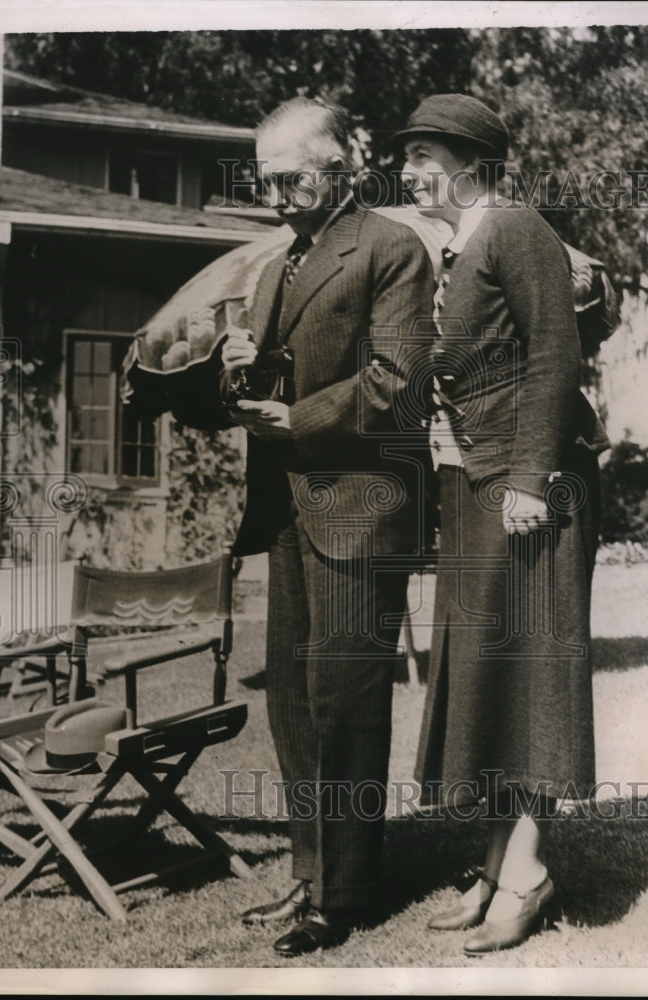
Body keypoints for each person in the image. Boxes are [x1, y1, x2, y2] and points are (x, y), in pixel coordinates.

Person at [221, 97, 436, 957]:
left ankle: (345, 894)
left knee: (345, 703)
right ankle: (309, 874)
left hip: (358, 507)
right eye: (264, 180)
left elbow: (396, 386)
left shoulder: (389, 248)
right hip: (286, 507)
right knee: (294, 705)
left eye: (290, 177)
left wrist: (295, 419)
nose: (275, 194)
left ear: (341, 160)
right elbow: (269, 379)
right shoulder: (279, 264)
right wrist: (235, 372)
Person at [395, 93, 609, 954]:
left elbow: (556, 351)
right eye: (404, 156)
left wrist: (527, 479)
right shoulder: (459, 242)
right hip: (477, 486)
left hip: (532, 494)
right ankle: (496, 862)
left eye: (423, 156)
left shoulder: (515, 228)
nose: (408, 171)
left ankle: (527, 870)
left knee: (529, 675)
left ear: (471, 164)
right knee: (491, 674)